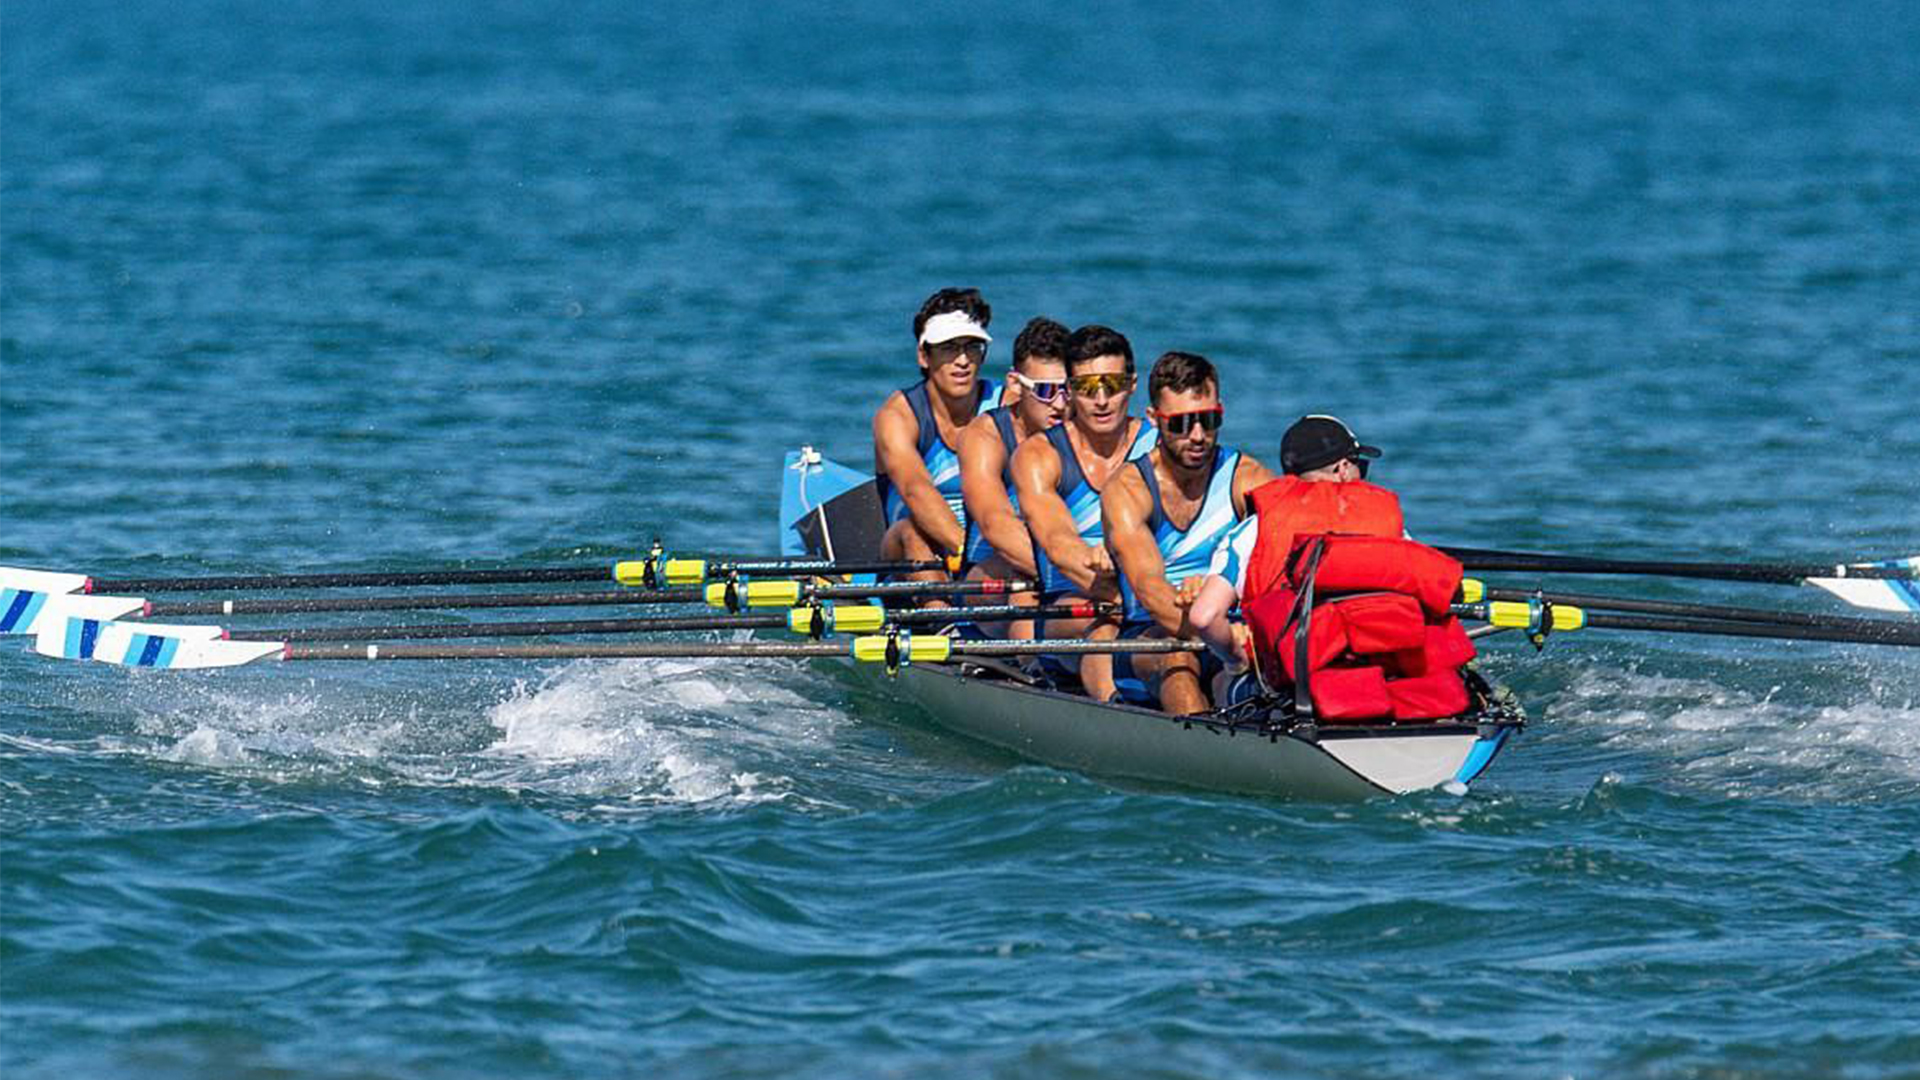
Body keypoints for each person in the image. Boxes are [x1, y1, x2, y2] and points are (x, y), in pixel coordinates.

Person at [1100, 352, 1274, 714]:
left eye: (1208, 421)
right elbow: (1151, 591)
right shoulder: (1129, 490)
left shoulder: (1249, 478)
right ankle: (1210, 755)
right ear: (1153, 420)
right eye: (1180, 424)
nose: (1197, 436)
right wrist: (1222, 635)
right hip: (1150, 635)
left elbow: (1279, 567)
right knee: (1178, 659)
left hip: (1230, 628)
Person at [1188, 414, 1403, 699]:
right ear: (1342, 469)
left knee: (1219, 683)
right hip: (1379, 679)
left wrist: (1236, 661)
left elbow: (1204, 617)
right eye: (1360, 465)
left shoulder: (1253, 530)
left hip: (1292, 690)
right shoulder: (1387, 522)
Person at [1010, 325, 1158, 699]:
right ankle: (1120, 715)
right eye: (1089, 388)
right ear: (1071, 391)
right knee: (1106, 627)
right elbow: (1060, 546)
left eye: (1113, 384)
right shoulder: (1039, 456)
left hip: (1154, 598)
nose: (1103, 400)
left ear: (1133, 384)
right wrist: (1139, 592)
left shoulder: (1160, 446)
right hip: (1072, 609)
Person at [873, 288, 1009, 587]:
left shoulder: (1007, 404)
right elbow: (915, 491)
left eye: (972, 346)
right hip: (909, 556)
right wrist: (970, 555)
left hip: (993, 549)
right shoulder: (898, 416)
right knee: (913, 529)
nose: (962, 360)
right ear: (924, 355)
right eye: (949, 347)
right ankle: (940, 620)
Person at [958, 317, 1071, 637]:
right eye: (1047, 391)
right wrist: (1077, 577)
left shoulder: (1086, 434)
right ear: (1015, 384)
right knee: (1024, 582)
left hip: (1067, 571)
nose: (1060, 404)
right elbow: (997, 526)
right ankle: (1032, 667)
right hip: (989, 579)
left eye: (1068, 389)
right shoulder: (984, 437)